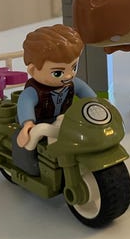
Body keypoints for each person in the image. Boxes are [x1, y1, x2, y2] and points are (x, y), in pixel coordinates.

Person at [13, 24, 96, 175]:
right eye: (58, 73)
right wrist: (28, 124)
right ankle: (28, 167)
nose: (69, 75)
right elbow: (25, 103)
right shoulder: (33, 91)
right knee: (27, 142)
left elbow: (89, 95)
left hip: (65, 120)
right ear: (33, 70)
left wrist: (96, 104)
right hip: (39, 121)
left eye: (74, 67)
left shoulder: (72, 83)